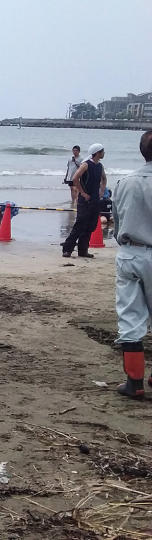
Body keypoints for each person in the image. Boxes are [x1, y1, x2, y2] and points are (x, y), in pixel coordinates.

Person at [110, 130, 152, 399]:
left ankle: (134, 383)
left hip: (131, 252)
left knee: (130, 316)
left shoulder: (125, 182)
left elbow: (116, 221)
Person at [61, 143, 107, 258]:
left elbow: (104, 178)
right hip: (85, 199)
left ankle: (83, 250)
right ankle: (67, 249)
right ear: (97, 153)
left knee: (91, 225)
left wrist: (102, 191)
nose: (104, 153)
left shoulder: (100, 166)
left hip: (95, 199)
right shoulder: (86, 165)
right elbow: (75, 178)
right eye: (102, 151)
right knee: (80, 224)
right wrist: (82, 193)